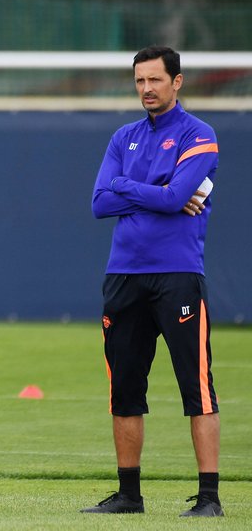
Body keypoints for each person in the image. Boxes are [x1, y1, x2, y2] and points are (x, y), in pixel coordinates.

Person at [86, 46, 222, 517]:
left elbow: (177, 199)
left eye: (155, 80)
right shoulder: (123, 136)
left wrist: (128, 188)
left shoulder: (199, 135)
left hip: (178, 275)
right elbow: (99, 203)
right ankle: (129, 495)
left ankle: (209, 498)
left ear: (177, 82)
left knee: (196, 388)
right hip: (123, 276)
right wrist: (155, 193)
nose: (146, 89)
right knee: (124, 389)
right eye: (140, 81)